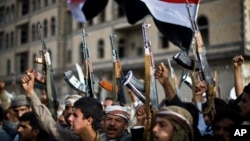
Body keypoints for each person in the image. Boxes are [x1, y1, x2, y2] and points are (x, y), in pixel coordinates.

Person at [21, 71, 103, 141]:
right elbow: (48, 123)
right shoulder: (71, 138)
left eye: (75, 115)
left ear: (89, 120)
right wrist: (30, 92)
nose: (70, 118)